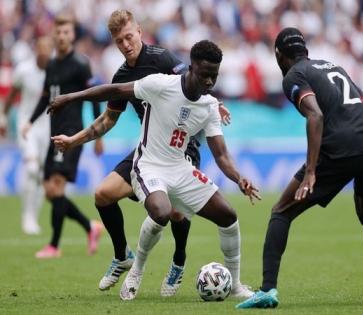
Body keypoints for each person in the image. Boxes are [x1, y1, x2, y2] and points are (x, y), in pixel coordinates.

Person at [49, 39, 259, 300]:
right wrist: (70, 98)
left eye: (214, 76)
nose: (209, 82)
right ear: (191, 67)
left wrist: (240, 179)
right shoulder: (160, 85)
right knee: (160, 212)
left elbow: (222, 155)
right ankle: (136, 270)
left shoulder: (209, 106)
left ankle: (235, 285)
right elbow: (112, 90)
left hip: (180, 167)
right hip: (148, 165)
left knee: (229, 216)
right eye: (205, 74)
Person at [236, 27, 363, 309]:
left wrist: (311, 171)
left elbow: (315, 115)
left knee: (281, 211)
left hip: (341, 149)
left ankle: (268, 290)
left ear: (278, 55)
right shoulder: (332, 66)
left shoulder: (293, 76)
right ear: (305, 50)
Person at [23, 13, 104, 258]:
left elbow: (95, 96)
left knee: (56, 187)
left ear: (73, 34)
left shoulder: (80, 64)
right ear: (53, 34)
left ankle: (54, 246)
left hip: (72, 134)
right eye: (58, 32)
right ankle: (90, 227)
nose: (61, 36)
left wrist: (98, 134)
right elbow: (45, 96)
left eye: (66, 32)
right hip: (53, 131)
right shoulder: (52, 65)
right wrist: (29, 121)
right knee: (50, 190)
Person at [0, 37, 52, 235]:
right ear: (36, 50)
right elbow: (11, 95)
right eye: (42, 50)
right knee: (31, 168)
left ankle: (33, 216)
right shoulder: (23, 70)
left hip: (47, 128)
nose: (45, 54)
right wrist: (3, 120)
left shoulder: (55, 71)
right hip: (26, 126)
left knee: (40, 174)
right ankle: (27, 217)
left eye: (48, 50)